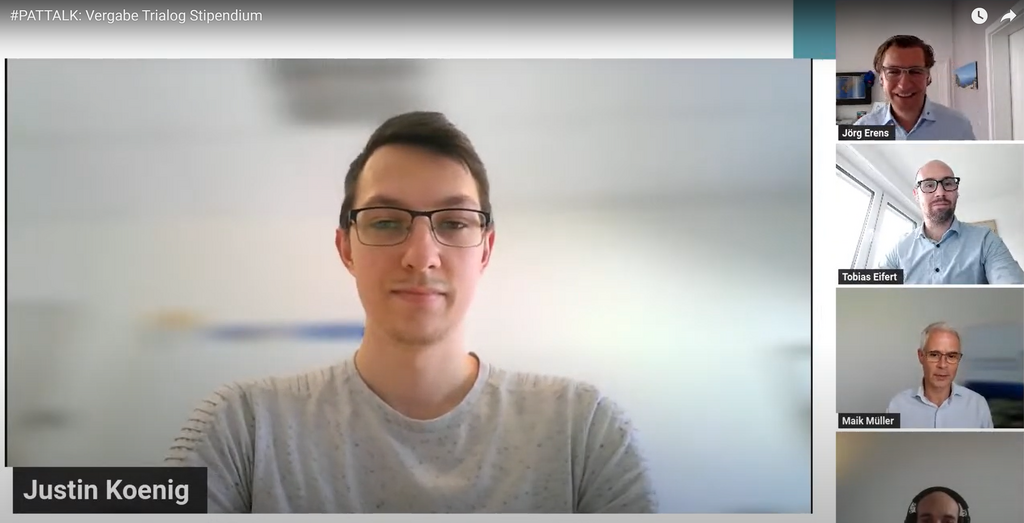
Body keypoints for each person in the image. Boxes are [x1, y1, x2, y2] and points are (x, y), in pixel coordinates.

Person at [163, 111, 659, 514]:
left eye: (454, 223)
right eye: (385, 222)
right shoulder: (243, 428)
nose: (421, 256)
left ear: (485, 250)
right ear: (346, 249)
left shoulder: (583, 430)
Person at [877, 159, 1024, 284]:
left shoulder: (986, 240)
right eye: (929, 185)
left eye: (948, 184)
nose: (940, 193)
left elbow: (1013, 291)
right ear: (916, 194)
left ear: (956, 191)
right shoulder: (899, 248)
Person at [854, 35, 976, 140]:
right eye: (893, 72)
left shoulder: (959, 126)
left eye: (915, 71)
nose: (904, 85)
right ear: (881, 78)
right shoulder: (861, 130)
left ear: (928, 77)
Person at [886, 322, 993, 429]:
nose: (942, 365)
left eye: (951, 356)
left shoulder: (978, 405)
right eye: (934, 355)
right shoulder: (897, 406)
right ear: (921, 356)